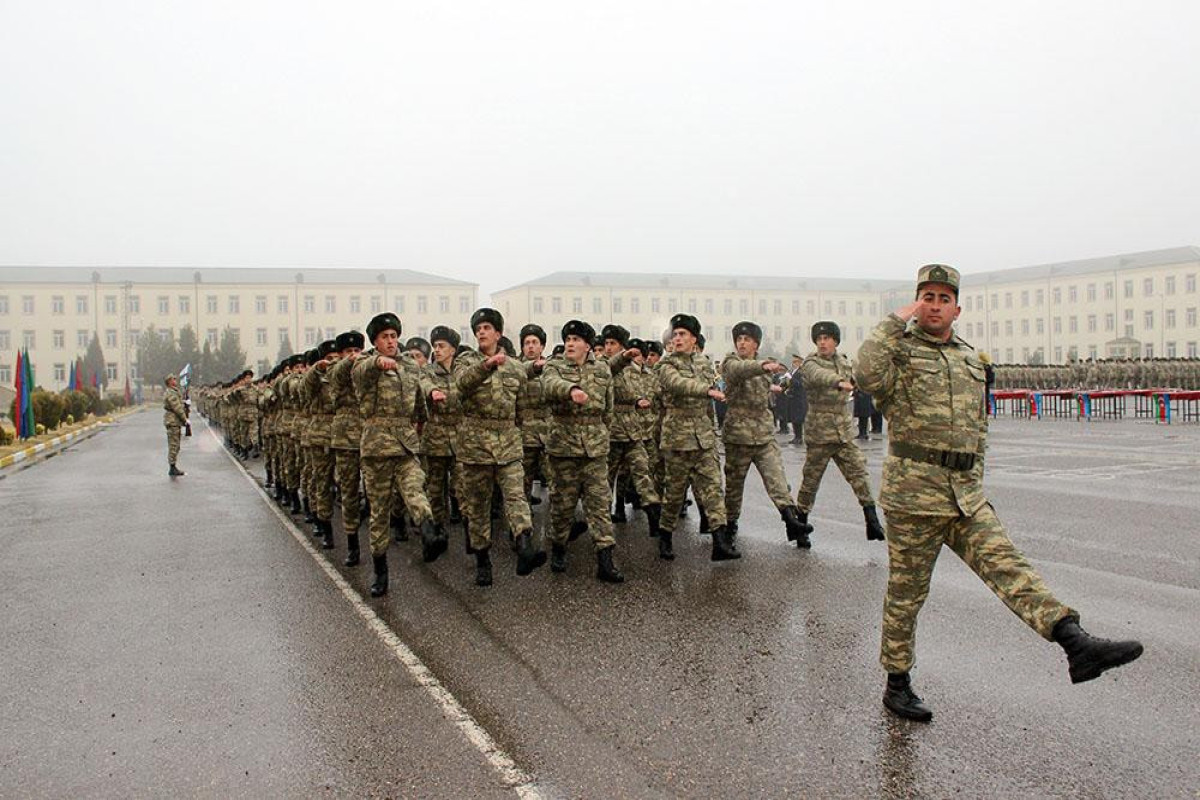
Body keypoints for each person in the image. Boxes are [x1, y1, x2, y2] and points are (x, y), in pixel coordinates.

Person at [855, 263, 1143, 722]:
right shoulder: (899, 352)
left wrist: (974, 479)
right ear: (916, 304)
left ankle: (1074, 641)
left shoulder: (971, 358)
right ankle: (897, 682)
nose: (934, 305)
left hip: (965, 496)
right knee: (907, 595)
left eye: (943, 298)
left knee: (1010, 567)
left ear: (957, 309)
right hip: (913, 498)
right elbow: (865, 374)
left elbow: (977, 429)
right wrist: (895, 320)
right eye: (926, 297)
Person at [351, 313, 444, 597]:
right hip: (377, 447)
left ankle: (428, 531)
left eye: (393, 336)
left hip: (405, 443)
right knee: (379, 511)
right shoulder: (365, 364)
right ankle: (380, 569)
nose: (390, 342)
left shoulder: (409, 365)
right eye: (384, 338)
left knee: (415, 486)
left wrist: (423, 419)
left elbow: (418, 404)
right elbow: (360, 372)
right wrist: (378, 362)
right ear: (375, 341)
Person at [454, 308, 546, 586]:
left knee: (516, 496)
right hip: (475, 445)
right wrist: (486, 365)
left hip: (507, 443)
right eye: (478, 328)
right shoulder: (466, 361)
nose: (481, 332)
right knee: (478, 507)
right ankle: (483, 560)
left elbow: (520, 407)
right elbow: (460, 385)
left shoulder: (515, 368)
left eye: (486, 327)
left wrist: (514, 432)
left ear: (498, 333)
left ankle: (525, 546)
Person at [540, 320, 625, 582]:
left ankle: (605, 558)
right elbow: (549, 384)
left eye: (576, 340)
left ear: (588, 346)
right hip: (563, 447)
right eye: (567, 339)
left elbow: (608, 410)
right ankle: (559, 547)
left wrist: (601, 436)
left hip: (595, 449)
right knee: (562, 504)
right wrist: (571, 389)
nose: (570, 344)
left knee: (599, 504)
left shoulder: (601, 369)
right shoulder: (555, 365)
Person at [656, 313, 739, 561]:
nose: (677, 338)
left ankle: (720, 542)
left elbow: (714, 392)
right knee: (674, 494)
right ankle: (664, 535)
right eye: (675, 334)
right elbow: (678, 384)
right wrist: (706, 390)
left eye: (683, 334)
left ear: (694, 339)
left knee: (713, 489)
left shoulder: (704, 363)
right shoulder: (665, 365)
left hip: (702, 436)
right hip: (678, 437)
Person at [719, 321, 811, 546]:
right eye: (739, 339)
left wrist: (773, 383)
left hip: (763, 435)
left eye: (747, 339)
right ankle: (730, 526)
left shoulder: (765, 368)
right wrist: (762, 366)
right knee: (734, 487)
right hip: (738, 437)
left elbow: (760, 388)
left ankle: (792, 523)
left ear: (756, 344)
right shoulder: (731, 362)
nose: (741, 343)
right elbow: (738, 372)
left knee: (777, 480)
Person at [796, 321, 885, 544]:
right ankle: (800, 526)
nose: (822, 342)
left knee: (859, 473)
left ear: (835, 341)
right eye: (819, 339)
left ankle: (872, 520)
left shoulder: (844, 362)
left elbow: (860, 378)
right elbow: (818, 376)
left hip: (843, 431)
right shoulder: (810, 362)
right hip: (819, 432)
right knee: (811, 482)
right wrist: (839, 382)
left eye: (826, 338)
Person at [163, 374, 187, 477]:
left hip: (174, 421)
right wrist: (185, 419)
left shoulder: (174, 391)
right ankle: (172, 468)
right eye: (173, 379)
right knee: (173, 445)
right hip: (173, 421)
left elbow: (179, 404)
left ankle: (173, 466)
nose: (175, 380)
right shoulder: (171, 393)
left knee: (176, 445)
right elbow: (177, 407)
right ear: (169, 381)